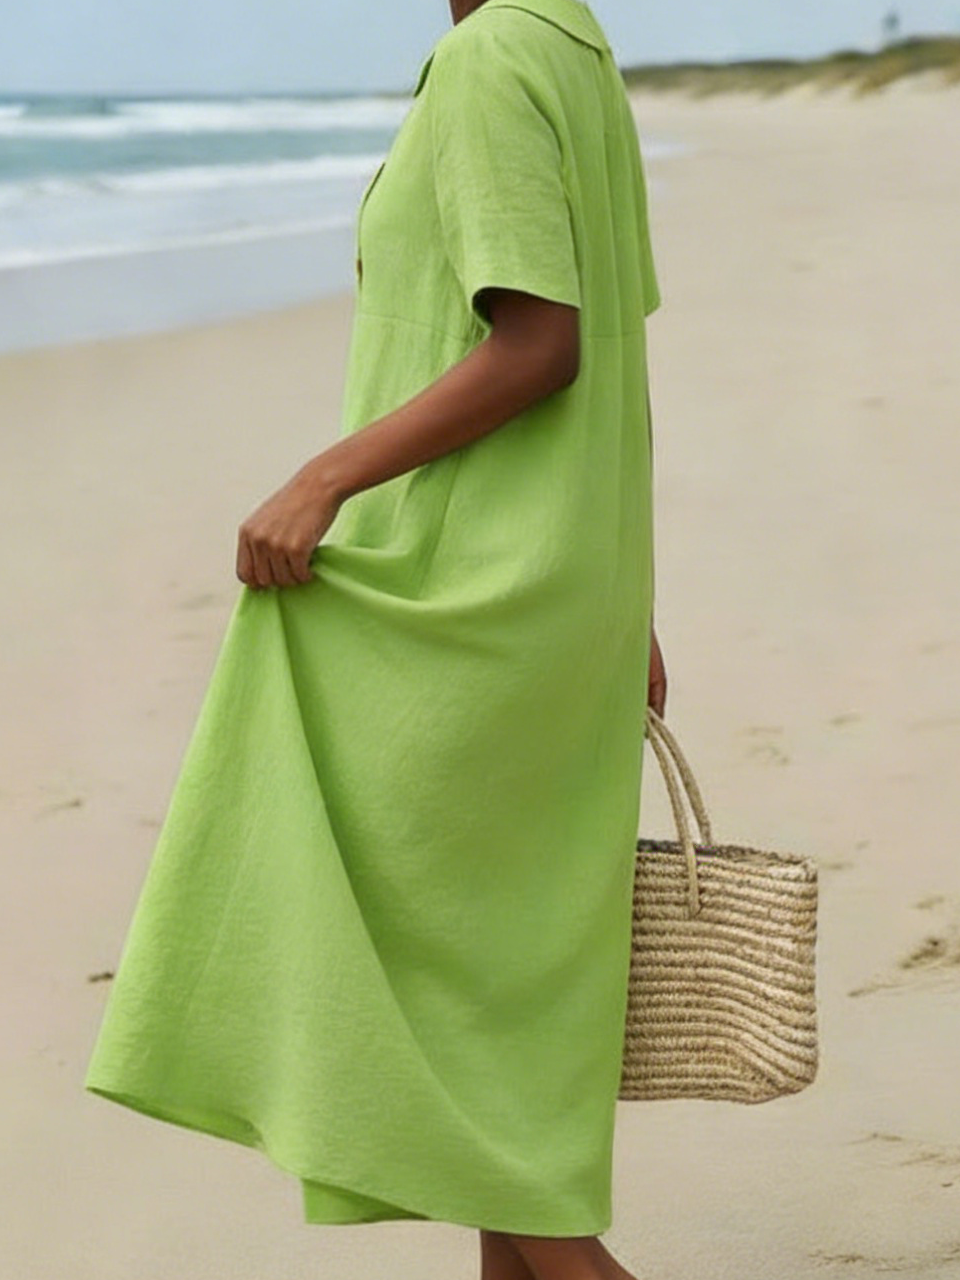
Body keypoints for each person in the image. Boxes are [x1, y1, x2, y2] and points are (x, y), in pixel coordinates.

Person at [84, 1, 668, 1277]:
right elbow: (615, 359)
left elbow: (548, 344)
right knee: (483, 1000)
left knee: (417, 983)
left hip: (468, 596)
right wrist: (629, 598)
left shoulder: (491, 54)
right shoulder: (572, 48)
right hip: (549, 588)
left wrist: (324, 476)